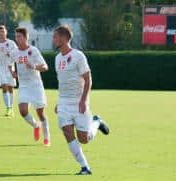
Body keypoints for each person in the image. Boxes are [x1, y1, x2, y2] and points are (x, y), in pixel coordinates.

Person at [53, 25, 110, 175]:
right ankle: (85, 167)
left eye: (56, 37)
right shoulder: (57, 58)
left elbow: (88, 79)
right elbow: (62, 83)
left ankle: (96, 122)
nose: (54, 40)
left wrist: (84, 100)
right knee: (67, 132)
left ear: (64, 38)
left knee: (84, 139)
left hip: (78, 102)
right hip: (64, 103)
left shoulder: (78, 56)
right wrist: (58, 103)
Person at [9, 27, 51, 146]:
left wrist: (33, 66)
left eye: (19, 36)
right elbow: (10, 63)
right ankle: (35, 125)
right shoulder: (14, 52)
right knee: (22, 111)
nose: (17, 39)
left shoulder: (33, 50)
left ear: (26, 37)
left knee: (40, 113)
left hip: (36, 85)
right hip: (24, 85)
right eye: (16, 36)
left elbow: (45, 67)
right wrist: (12, 72)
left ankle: (47, 137)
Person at [0, 25, 17, 116]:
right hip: (0, 68)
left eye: (3, 32)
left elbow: (16, 55)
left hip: (10, 67)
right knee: (4, 85)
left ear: (6, 32)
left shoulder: (11, 43)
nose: (1, 33)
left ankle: (11, 108)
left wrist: (10, 54)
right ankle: (8, 108)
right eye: (0, 32)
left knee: (10, 88)